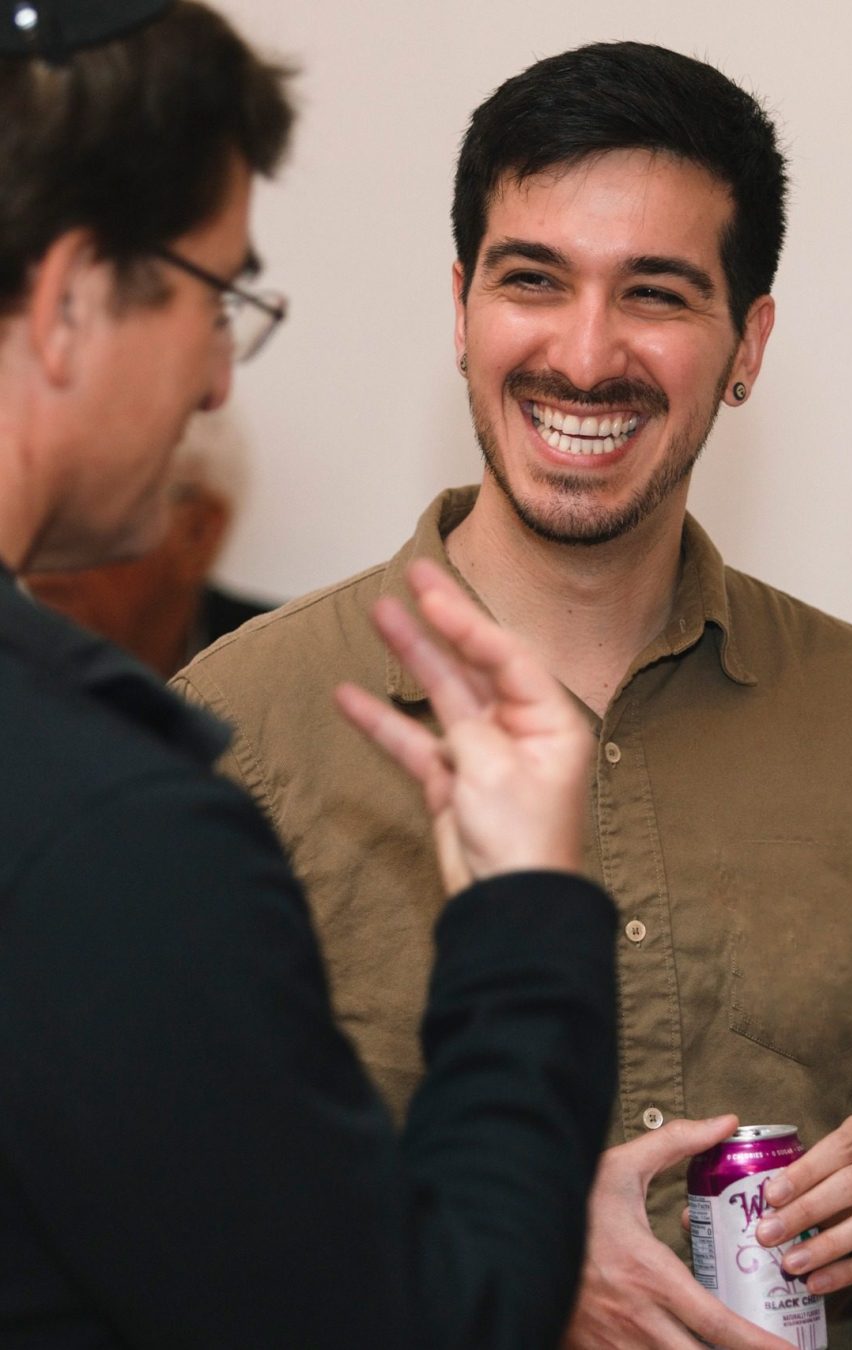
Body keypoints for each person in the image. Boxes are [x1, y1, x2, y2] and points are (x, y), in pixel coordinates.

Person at [173, 40, 852, 1350]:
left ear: (747, 344)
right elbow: (155, 1208)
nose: (585, 356)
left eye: (655, 293)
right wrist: (495, 1254)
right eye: (534, 279)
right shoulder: (237, 723)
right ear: (463, 302)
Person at [0, 5, 623, 1346]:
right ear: (65, 305)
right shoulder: (108, 825)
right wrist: (525, 915)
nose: (219, 382)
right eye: (216, 294)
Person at [26, 414, 277, 677]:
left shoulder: (286, 669)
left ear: (196, 532)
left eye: (90, 505)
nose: (42, 546)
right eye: (34, 501)